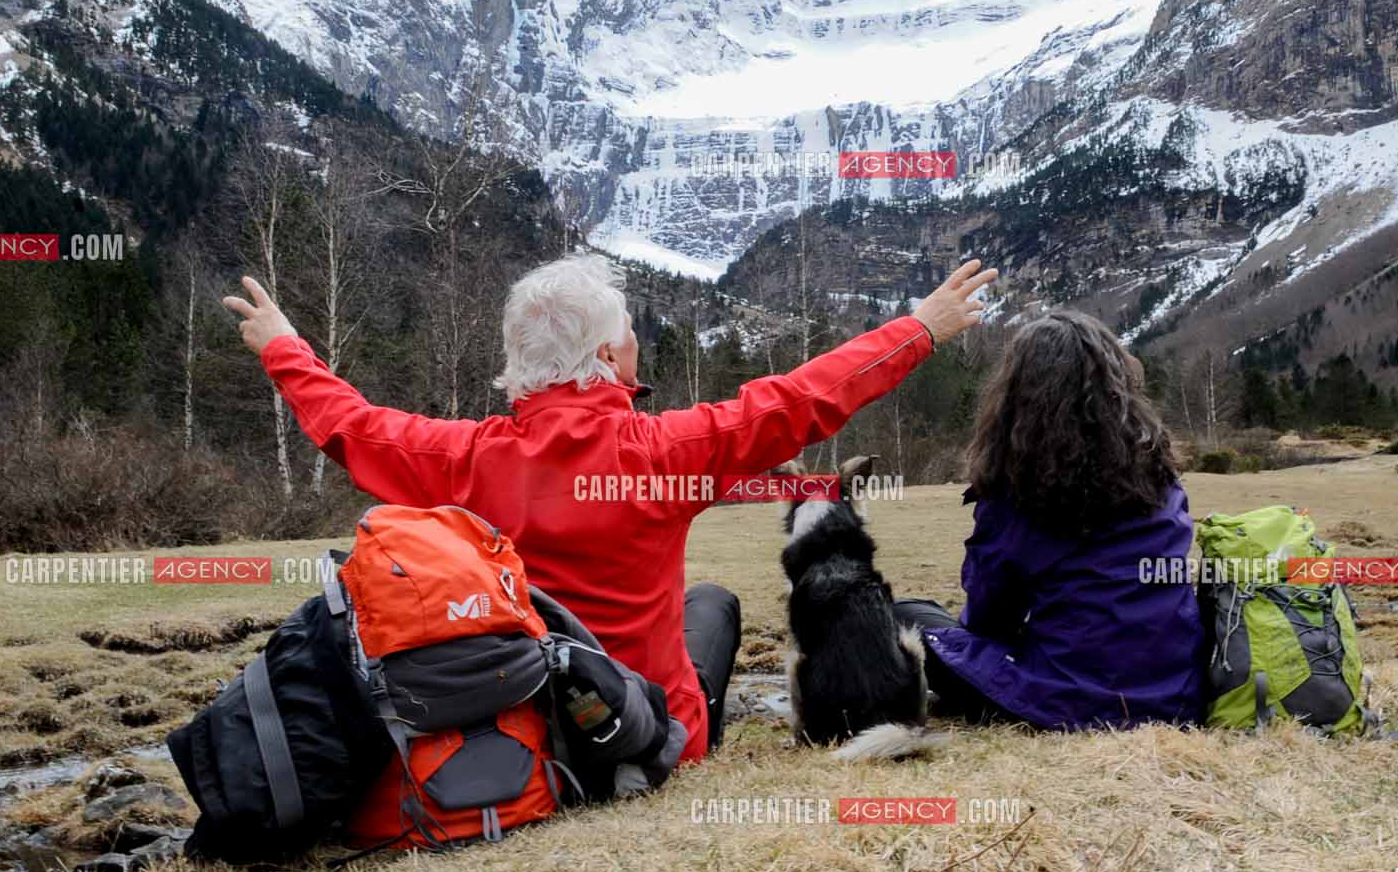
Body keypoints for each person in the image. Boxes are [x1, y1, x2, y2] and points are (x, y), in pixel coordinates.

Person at [222, 255, 998, 767]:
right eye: (627, 338)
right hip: (657, 732)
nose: (634, 349)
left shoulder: (458, 458)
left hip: (533, 731)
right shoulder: (665, 451)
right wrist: (920, 329)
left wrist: (285, 347)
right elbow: (799, 402)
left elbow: (350, 427)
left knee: (704, 603)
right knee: (713, 605)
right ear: (605, 359)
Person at [892, 309, 1205, 730]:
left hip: (1066, 700)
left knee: (900, 615)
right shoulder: (1162, 479)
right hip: (1176, 693)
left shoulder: (1018, 495)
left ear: (1017, 395)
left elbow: (989, 616)